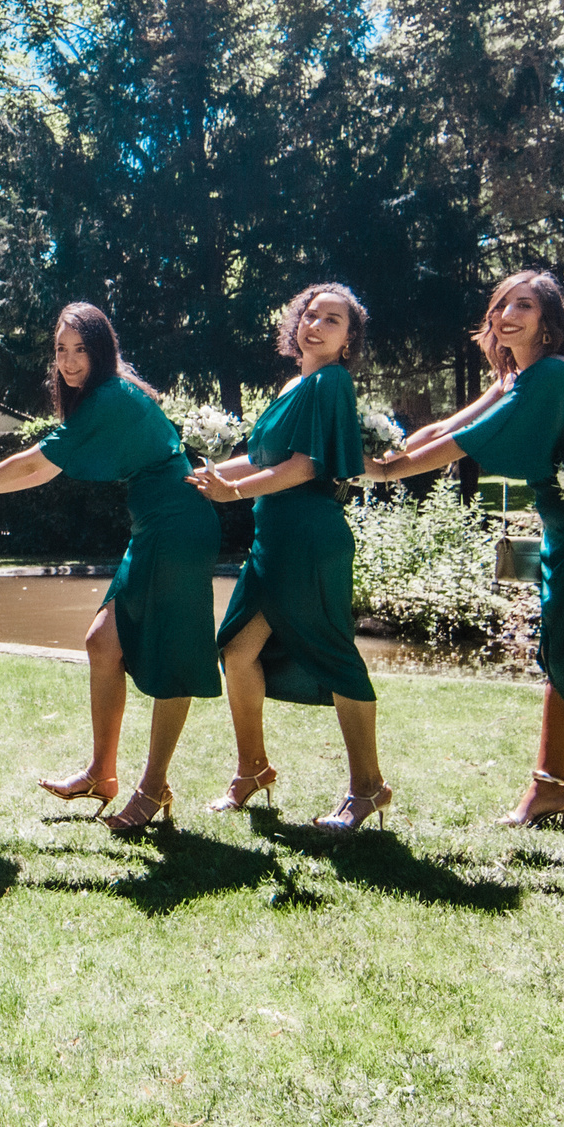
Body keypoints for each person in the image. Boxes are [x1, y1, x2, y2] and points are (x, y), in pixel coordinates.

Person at [367, 272, 564, 836]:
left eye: (523, 305)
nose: (507, 315)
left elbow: (468, 443)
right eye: (500, 305)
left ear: (548, 318)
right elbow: (451, 425)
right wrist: (388, 447)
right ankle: (549, 786)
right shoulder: (517, 375)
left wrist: (385, 473)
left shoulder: (550, 374)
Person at [0, 303, 223, 834]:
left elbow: (37, 465)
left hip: (178, 523)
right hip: (154, 522)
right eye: (61, 349)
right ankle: (102, 774)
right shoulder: (103, 396)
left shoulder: (108, 396)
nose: (69, 360)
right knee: (102, 643)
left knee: (173, 656)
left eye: (81, 349)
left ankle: (153, 787)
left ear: (102, 351)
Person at [190, 284, 387, 832]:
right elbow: (258, 457)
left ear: (349, 341)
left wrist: (233, 494)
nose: (317, 325)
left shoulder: (331, 381)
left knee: (332, 653)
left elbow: (304, 467)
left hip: (308, 537)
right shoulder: (296, 383)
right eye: (311, 314)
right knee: (237, 649)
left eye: (334, 320)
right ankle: (251, 769)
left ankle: (367, 787)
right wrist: (203, 478)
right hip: (271, 538)